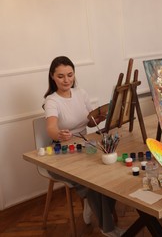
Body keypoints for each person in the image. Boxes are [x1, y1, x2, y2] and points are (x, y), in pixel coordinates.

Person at [43, 56, 123, 237]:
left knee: (108, 175)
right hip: (61, 152)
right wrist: (59, 134)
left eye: (70, 75)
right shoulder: (52, 100)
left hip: (85, 145)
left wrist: (99, 118)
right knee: (93, 182)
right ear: (52, 77)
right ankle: (107, 228)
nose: (66, 80)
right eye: (61, 76)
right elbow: (51, 128)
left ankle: (92, 205)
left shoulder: (81, 93)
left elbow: (90, 120)